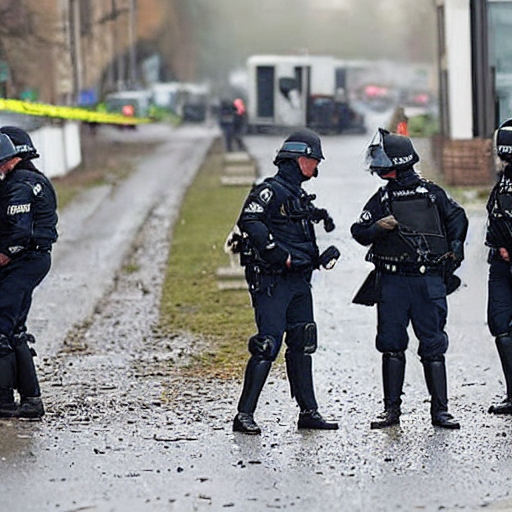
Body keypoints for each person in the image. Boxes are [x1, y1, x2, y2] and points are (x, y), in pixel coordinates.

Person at [351, 128, 468, 430]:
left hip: (426, 279)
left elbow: (458, 218)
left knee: (433, 345)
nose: (377, 164)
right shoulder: (382, 198)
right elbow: (359, 232)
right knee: (391, 344)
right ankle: (392, 411)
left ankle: (440, 411)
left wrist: (455, 249)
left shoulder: (430, 193)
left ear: (397, 161)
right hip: (391, 281)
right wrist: (378, 229)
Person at [230, 129, 340, 434]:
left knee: (303, 341)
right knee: (267, 345)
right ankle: (244, 415)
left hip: (299, 282)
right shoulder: (271, 190)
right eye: (314, 160)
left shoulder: (298, 195)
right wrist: (278, 255)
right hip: (273, 281)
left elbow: (296, 235)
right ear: (300, 158)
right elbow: (249, 220)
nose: (317, 166)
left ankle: (309, 412)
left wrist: (316, 258)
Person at [0, 126, 58, 419]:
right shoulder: (26, 180)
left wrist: (4, 255)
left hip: (24, 261)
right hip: (31, 260)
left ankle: (5, 400)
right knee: (15, 329)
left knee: (2, 328)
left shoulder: (20, 184)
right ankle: (30, 400)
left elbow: (17, 235)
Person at [485, 118, 512, 415]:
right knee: (500, 323)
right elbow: (494, 219)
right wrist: (500, 245)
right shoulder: (501, 182)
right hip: (500, 263)